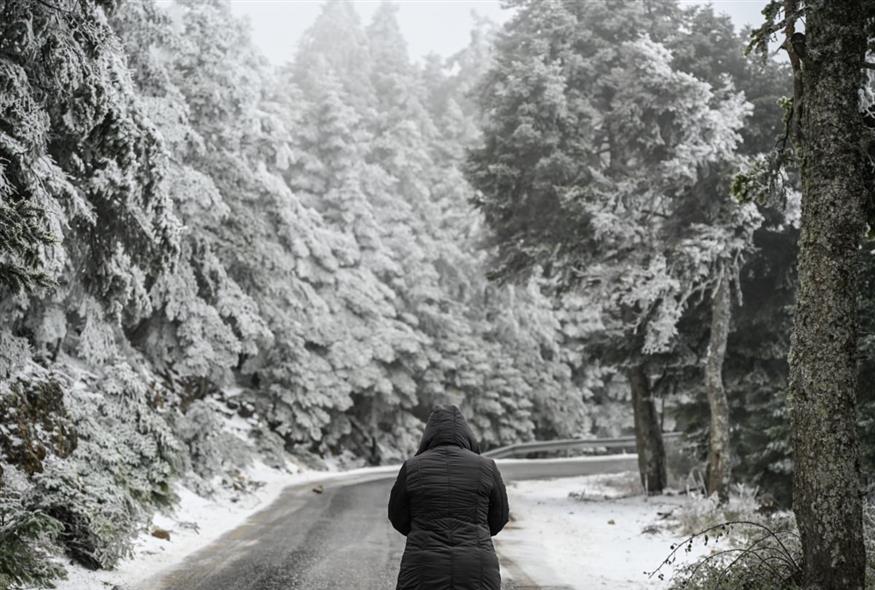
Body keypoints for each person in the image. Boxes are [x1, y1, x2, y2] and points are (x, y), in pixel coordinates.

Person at [387, 405, 510, 590]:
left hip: (423, 565)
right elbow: (499, 517)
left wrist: (421, 532)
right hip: (477, 566)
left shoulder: (413, 467)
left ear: (428, 435)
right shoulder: (486, 466)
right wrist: (477, 533)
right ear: (467, 434)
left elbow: (397, 516)